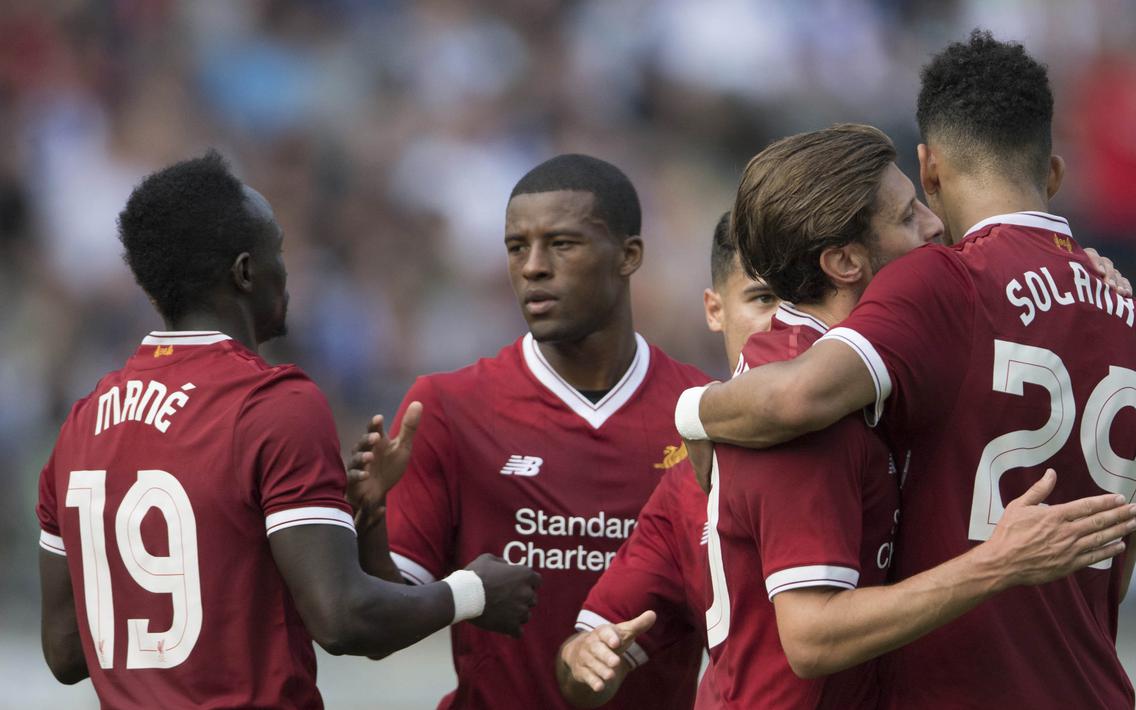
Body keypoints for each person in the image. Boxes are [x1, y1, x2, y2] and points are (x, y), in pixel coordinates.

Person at [674, 33, 1136, 709]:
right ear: (1052, 173)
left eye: (917, 205)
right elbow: (1116, 562)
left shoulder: (945, 285)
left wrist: (687, 416)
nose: (930, 228)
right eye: (907, 216)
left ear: (929, 168)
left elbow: (793, 398)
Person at [35, 152, 539, 710]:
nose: (288, 268)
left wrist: (357, 524)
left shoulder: (81, 424)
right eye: (279, 249)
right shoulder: (272, 404)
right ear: (246, 272)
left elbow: (64, 652)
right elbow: (343, 619)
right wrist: (473, 592)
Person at [347, 154, 713, 709]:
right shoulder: (447, 407)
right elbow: (390, 618)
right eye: (517, 248)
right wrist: (370, 522)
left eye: (562, 244)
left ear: (629, 256)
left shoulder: (700, 413)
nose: (533, 267)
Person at [554, 212, 777, 707]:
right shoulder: (685, 486)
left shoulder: (895, 441)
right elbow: (580, 663)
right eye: (763, 298)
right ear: (714, 310)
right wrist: (585, 656)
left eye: (803, 299)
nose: (785, 320)